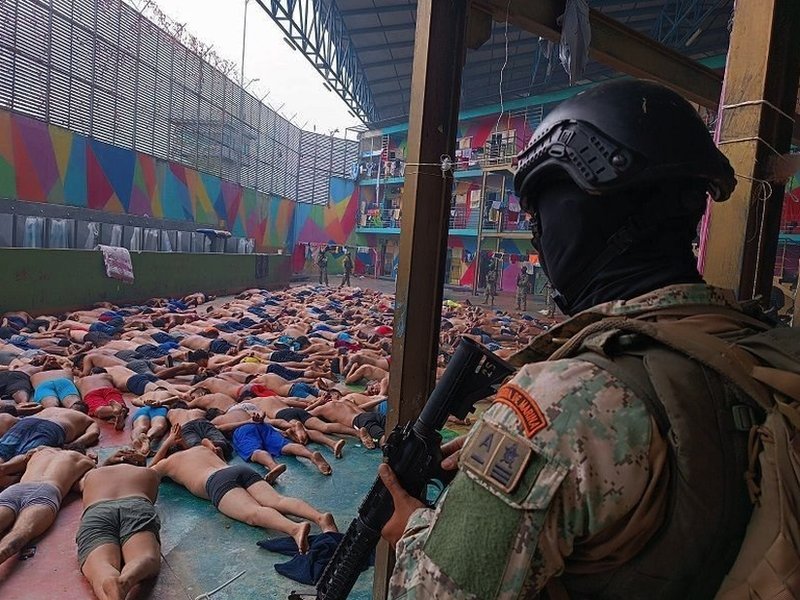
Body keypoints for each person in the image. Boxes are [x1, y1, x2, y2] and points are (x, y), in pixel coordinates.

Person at [378, 80, 761, 599]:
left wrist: (413, 531)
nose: (540, 237)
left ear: (579, 217)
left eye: (542, 217)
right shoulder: (749, 343)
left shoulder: (562, 402)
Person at [150, 425, 337, 554]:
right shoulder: (199, 449)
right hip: (236, 470)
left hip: (215, 482)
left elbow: (148, 472)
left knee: (253, 513)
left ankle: (295, 529)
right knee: (277, 500)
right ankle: (320, 518)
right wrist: (179, 442)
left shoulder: (168, 463)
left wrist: (166, 444)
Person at [77, 460, 162, 600]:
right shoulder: (149, 473)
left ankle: (109, 583)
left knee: (100, 566)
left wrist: (109, 460)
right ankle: (125, 581)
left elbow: (77, 486)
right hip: (135, 504)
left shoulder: (92, 475)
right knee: (145, 556)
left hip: (98, 509)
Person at [0, 447, 95, 565]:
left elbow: (10, 467)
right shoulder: (85, 461)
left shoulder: (40, 452)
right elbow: (86, 484)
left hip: (16, 489)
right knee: (20, 533)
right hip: (47, 490)